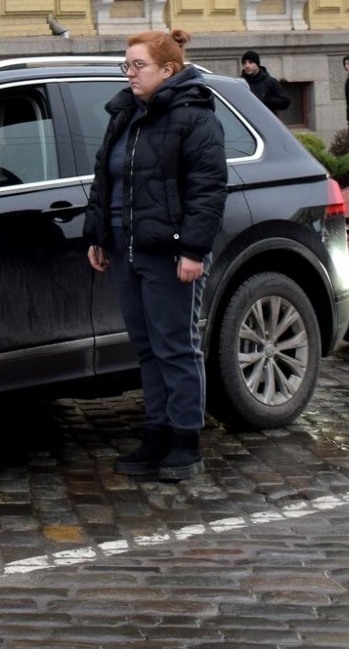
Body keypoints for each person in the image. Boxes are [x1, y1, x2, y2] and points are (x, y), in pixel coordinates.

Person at [84, 29, 229, 483]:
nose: (129, 74)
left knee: (175, 346)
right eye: (125, 65)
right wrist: (98, 235)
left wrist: (193, 250)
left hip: (170, 252)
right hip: (126, 247)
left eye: (138, 65)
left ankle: (185, 442)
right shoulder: (126, 114)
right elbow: (104, 179)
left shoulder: (194, 117)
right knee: (146, 346)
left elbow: (208, 189)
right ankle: (156, 434)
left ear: (168, 70)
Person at [238, 51, 291, 115]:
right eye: (244, 63)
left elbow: (285, 102)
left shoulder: (270, 82)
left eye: (250, 62)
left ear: (257, 64)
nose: (247, 66)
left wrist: (268, 100)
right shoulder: (239, 82)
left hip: (265, 118)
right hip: (246, 118)